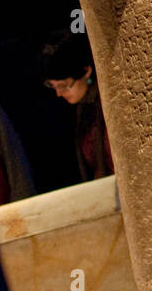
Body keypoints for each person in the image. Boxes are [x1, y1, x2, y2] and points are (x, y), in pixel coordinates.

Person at [40, 32, 113, 182]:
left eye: (64, 86)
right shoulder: (84, 107)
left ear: (86, 72)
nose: (59, 93)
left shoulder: (107, 103)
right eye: (52, 86)